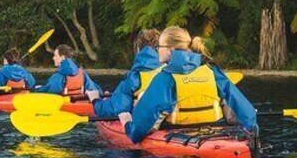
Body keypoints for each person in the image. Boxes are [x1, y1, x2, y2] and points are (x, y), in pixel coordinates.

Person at [118, 26, 258, 144]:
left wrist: (128, 125)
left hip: (177, 143)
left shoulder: (165, 78)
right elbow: (246, 111)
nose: (157, 50)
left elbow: (138, 133)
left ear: (170, 50)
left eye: (159, 46)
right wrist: (252, 133)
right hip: (215, 133)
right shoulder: (211, 71)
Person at [86, 29, 161, 118]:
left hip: (143, 124)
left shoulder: (134, 78)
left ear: (138, 50)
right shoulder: (171, 73)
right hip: (173, 124)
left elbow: (114, 110)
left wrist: (95, 100)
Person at [35, 44, 100, 96]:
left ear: (62, 57)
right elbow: (93, 88)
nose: (53, 58)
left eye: (55, 55)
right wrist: (102, 93)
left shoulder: (58, 76)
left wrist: (34, 90)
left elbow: (48, 92)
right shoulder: (82, 73)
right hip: (77, 101)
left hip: (63, 104)